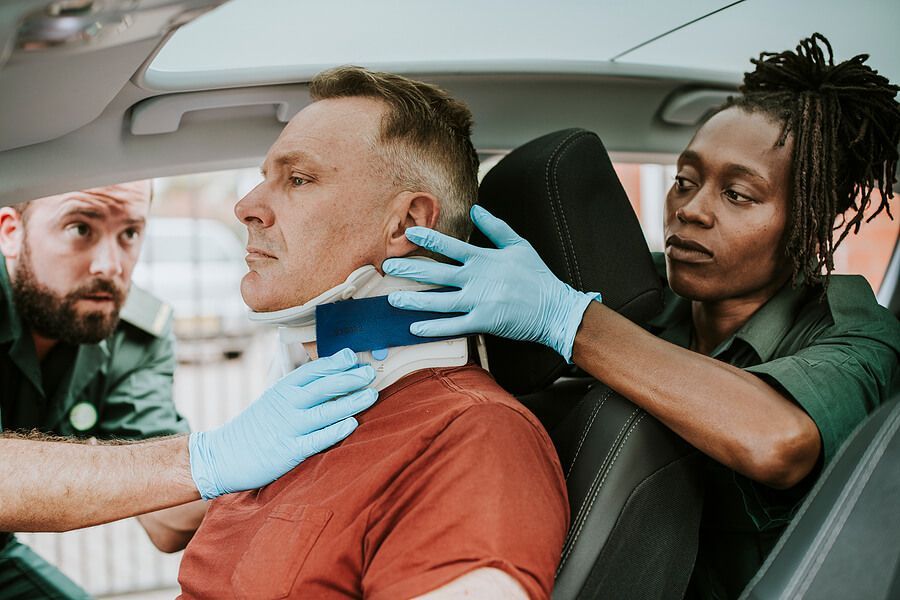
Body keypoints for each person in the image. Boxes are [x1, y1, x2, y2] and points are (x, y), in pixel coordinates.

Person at [384, 34, 900, 598]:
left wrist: (568, 319)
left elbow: (779, 442)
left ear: (809, 219)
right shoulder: (637, 289)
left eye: (739, 195)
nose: (691, 210)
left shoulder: (860, 338)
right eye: (685, 180)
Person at [176, 67, 569, 599]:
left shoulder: (474, 437)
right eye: (262, 176)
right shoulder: (295, 411)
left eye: (297, 179)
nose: (246, 206)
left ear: (407, 223)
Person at [0, 182, 377, 598]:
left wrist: (307, 472)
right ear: (10, 232)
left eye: (129, 233)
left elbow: (168, 520)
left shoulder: (129, 335)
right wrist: (210, 456)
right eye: (79, 229)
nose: (110, 265)